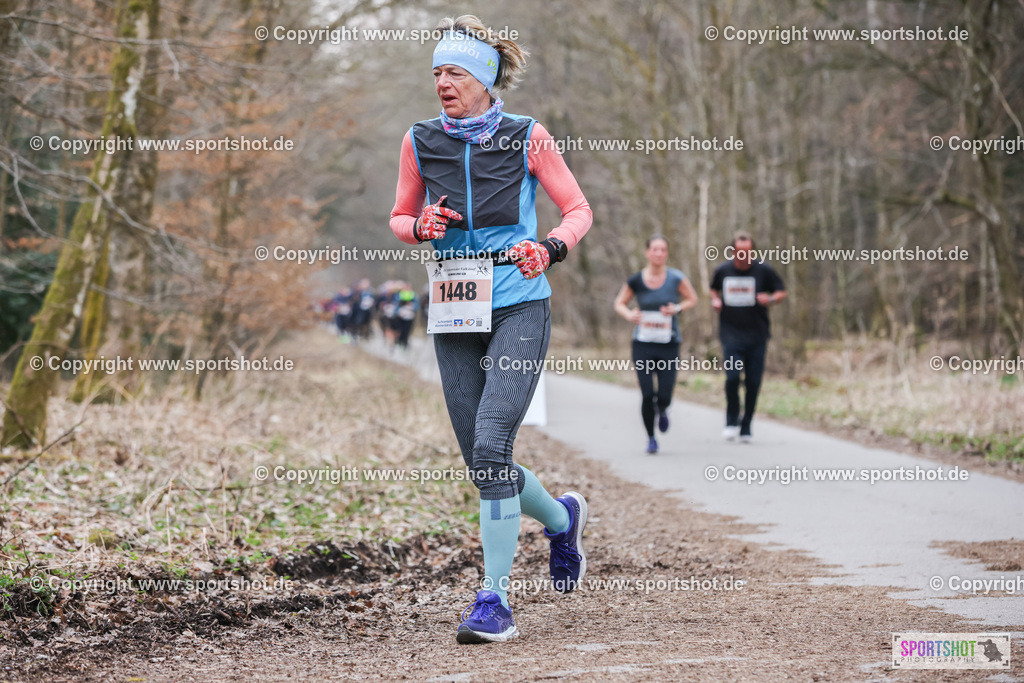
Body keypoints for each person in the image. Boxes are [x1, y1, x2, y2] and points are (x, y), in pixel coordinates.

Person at [389, 15, 593, 644]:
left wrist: (551, 247)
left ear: (483, 77)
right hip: (453, 306)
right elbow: (398, 215)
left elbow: (578, 209)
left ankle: (494, 599)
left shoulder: (527, 136)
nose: (442, 83)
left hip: (518, 301)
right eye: (436, 73)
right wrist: (421, 227)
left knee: (491, 444)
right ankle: (561, 520)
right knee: (484, 464)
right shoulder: (420, 140)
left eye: (454, 72)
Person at [613, 236, 698, 454]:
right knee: (647, 392)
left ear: (666, 253)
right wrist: (630, 314)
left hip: (668, 343)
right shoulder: (637, 280)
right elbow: (619, 303)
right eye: (655, 249)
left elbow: (692, 299)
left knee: (665, 394)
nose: (659, 253)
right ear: (647, 252)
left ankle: (663, 409)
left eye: (663, 249)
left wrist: (677, 308)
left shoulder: (676, 278)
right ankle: (651, 438)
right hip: (642, 343)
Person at [709, 231, 787, 442]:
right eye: (740, 252)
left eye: (748, 252)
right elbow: (713, 290)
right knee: (732, 378)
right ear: (733, 252)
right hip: (731, 334)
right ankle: (731, 419)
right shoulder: (723, 270)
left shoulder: (764, 270)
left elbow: (781, 292)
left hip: (757, 335)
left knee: (753, 382)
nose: (745, 256)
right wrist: (715, 301)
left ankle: (747, 424)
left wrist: (770, 299)